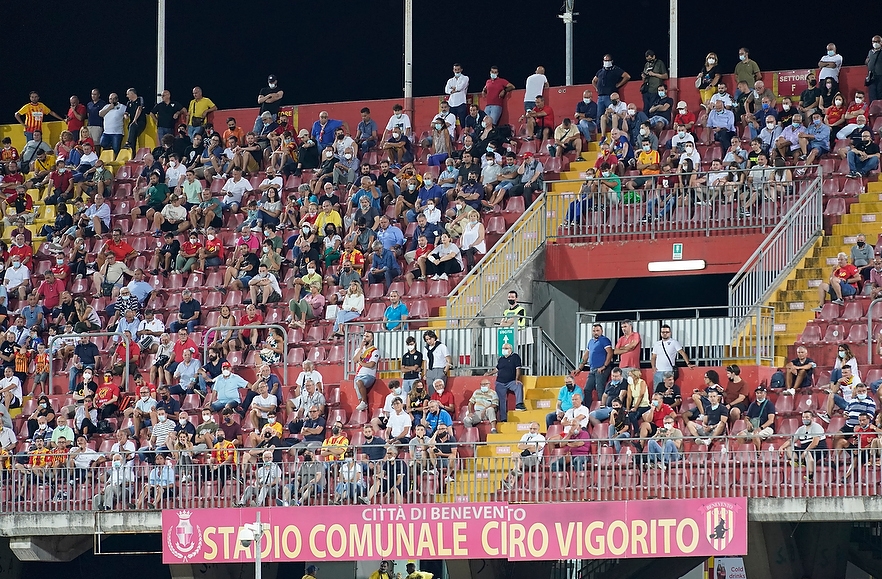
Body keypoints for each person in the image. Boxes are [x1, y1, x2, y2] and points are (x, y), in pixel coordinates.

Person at [574, 323, 613, 405]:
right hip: (592, 369)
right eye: (594, 331)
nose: (596, 332)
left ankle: (602, 407)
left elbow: (610, 353)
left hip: (602, 368)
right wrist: (579, 368)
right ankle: (587, 407)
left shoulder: (604, 340)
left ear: (601, 331)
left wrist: (604, 366)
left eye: (597, 330)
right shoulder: (590, 342)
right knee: (587, 389)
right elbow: (585, 356)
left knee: (600, 388)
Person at [486, 343, 524, 422]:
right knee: (501, 400)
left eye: (506, 348)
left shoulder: (515, 357)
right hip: (500, 382)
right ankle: (503, 418)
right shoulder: (501, 359)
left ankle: (519, 405)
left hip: (511, 381)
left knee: (518, 386)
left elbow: (518, 368)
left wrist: (517, 379)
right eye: (503, 348)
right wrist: (489, 373)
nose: (504, 350)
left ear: (510, 349)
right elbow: (497, 369)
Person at [735, 386, 776, 451]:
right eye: (757, 393)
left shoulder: (769, 405)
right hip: (754, 427)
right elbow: (747, 417)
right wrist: (748, 423)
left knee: (755, 435)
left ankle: (757, 454)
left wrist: (761, 428)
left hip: (767, 428)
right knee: (740, 435)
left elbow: (771, 420)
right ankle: (744, 452)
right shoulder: (753, 405)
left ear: (765, 394)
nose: (759, 395)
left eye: (761, 393)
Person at [352, 331, 380, 411]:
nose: (364, 338)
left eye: (367, 336)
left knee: (359, 382)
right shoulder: (358, 350)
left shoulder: (374, 351)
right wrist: (361, 348)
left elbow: (371, 364)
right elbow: (355, 360)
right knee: (358, 385)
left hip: (369, 375)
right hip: (358, 375)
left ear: (372, 339)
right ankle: (363, 405)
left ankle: (364, 402)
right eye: (364, 336)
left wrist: (361, 363)